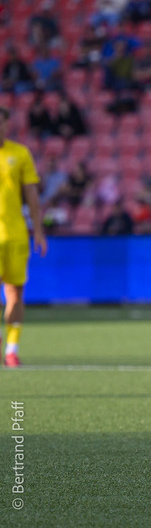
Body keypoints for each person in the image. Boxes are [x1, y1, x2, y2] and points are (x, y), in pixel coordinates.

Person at [0, 107, 48, 367]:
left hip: (16, 234)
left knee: (15, 294)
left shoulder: (19, 154)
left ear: (7, 124)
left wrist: (38, 230)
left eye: (1, 123)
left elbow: (31, 194)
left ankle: (12, 349)